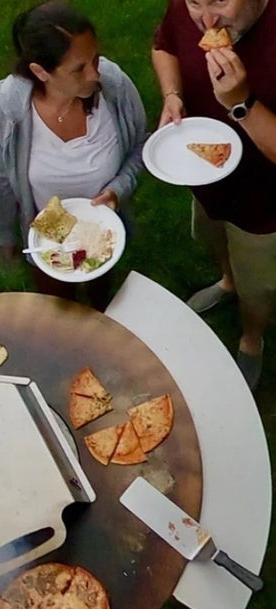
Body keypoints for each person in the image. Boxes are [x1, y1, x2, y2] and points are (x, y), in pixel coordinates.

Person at [0, 1, 146, 308]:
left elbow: (141, 148)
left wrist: (117, 190)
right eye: (79, 69)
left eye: (95, 59)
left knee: (100, 297)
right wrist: (6, 235)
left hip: (103, 230)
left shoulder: (114, 84)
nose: (95, 74)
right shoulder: (8, 107)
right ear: (40, 71)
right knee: (58, 307)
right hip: (46, 235)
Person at [152, 0, 276, 390]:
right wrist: (172, 94)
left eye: (220, 1)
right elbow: (164, 46)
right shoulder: (188, 8)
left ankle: (251, 338)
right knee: (213, 237)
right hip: (205, 177)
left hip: (264, 204)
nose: (206, 20)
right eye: (195, 3)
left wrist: (242, 102)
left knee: (258, 287)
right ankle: (227, 281)